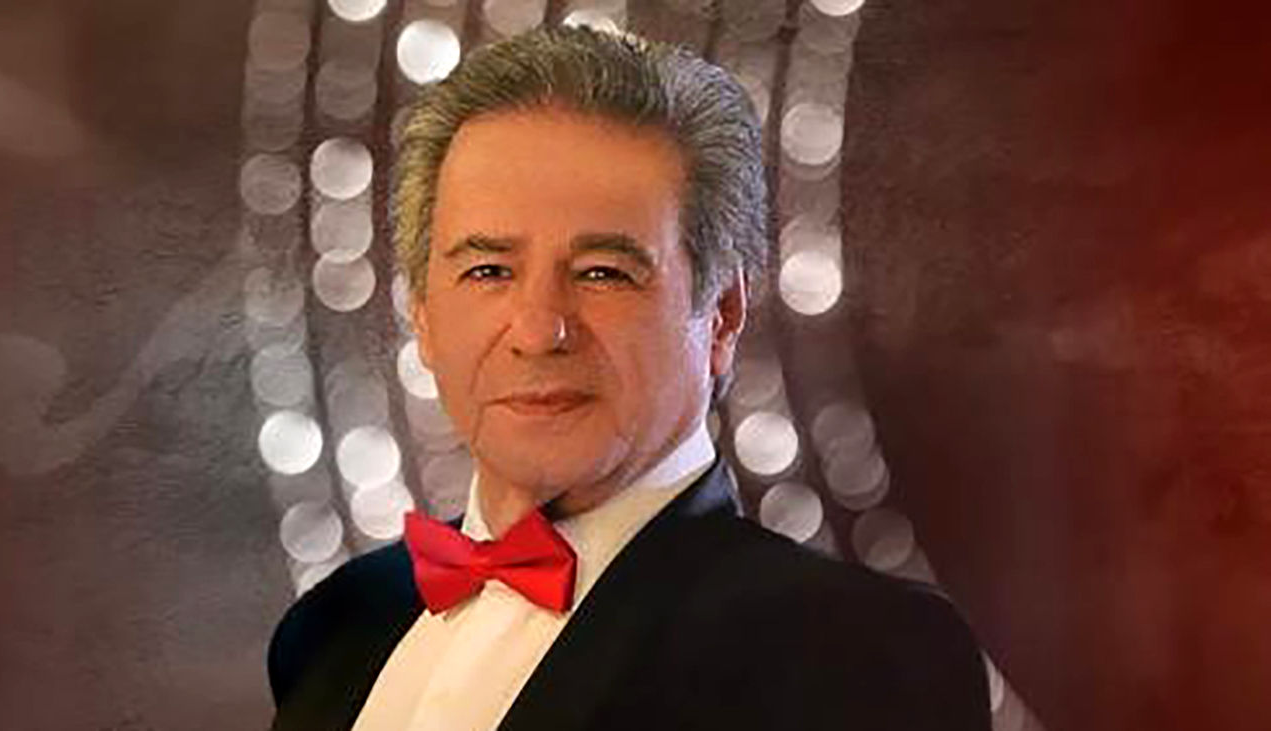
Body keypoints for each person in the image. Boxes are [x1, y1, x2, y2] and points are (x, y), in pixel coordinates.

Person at [267, 26, 991, 731]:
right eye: (488, 270)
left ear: (722, 316)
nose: (539, 331)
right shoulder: (335, 625)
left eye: (603, 273)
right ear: (422, 316)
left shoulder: (855, 649)